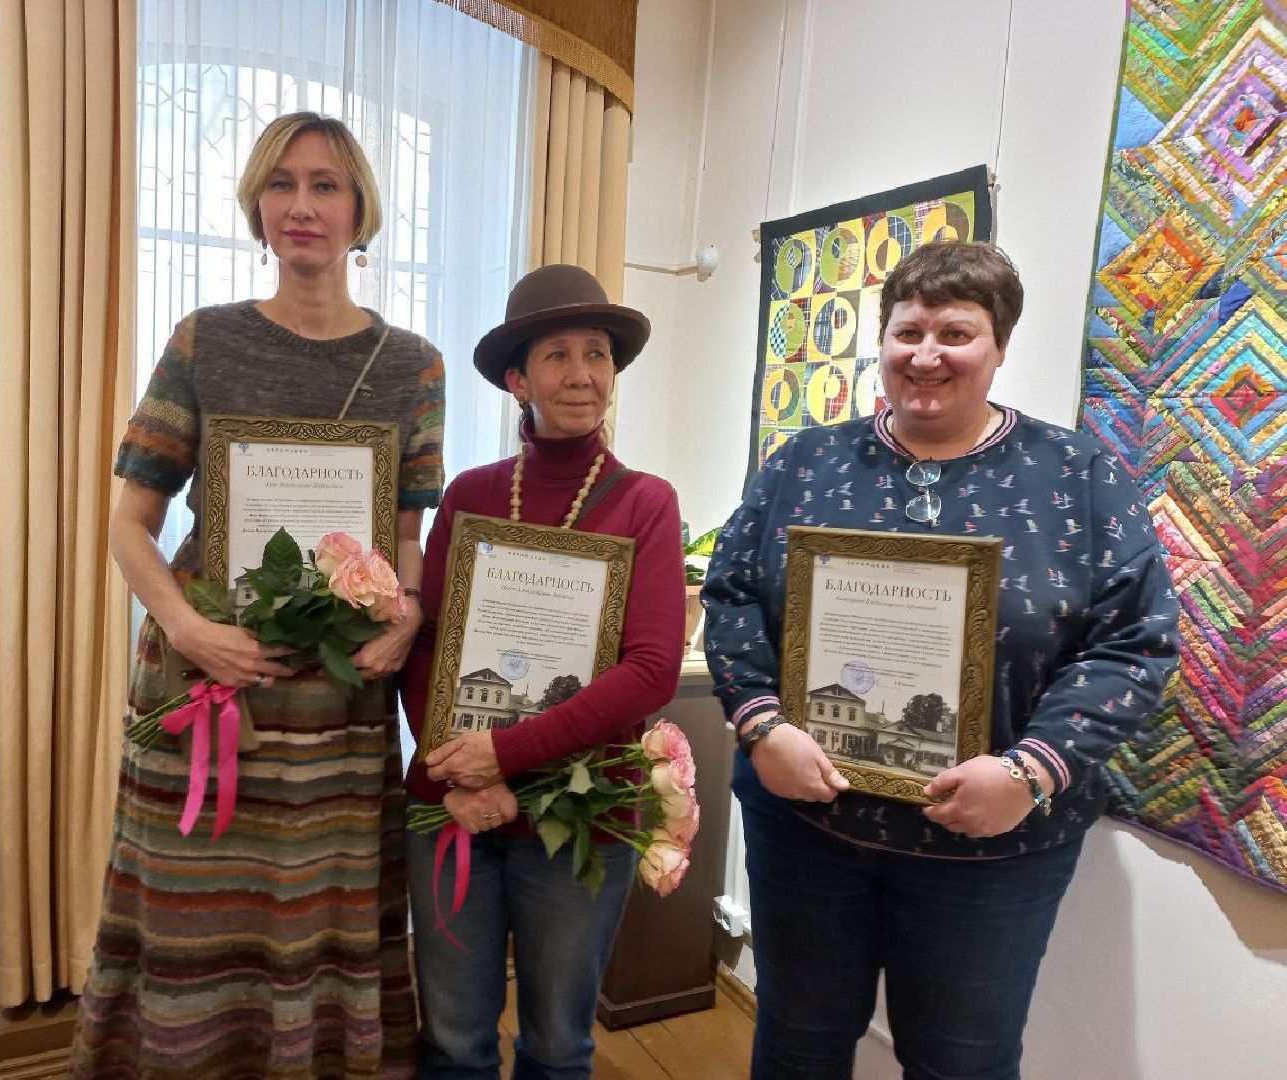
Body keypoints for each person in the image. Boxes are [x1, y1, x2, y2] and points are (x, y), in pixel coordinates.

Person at [704, 240, 1180, 1079]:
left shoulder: (1078, 475)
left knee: (962, 1062)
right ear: (882, 341)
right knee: (800, 1037)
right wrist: (760, 724)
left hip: (993, 853)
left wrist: (1030, 773)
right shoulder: (807, 462)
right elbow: (735, 597)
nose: (926, 355)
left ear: (998, 347)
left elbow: (1133, 642)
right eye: (907, 331)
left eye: (955, 333)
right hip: (808, 827)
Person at [72, 112, 444, 1079]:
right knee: (194, 920)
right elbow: (128, 525)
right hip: (210, 686)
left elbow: (406, 540)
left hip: (336, 697)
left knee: (315, 920)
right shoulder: (206, 342)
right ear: (255, 207)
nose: (302, 205)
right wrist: (192, 629)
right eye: (281, 184)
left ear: (361, 207)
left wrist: (403, 622)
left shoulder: (414, 366)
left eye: (326, 184)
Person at [397, 263, 686, 1079]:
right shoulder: (472, 492)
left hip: (578, 819)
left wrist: (506, 757)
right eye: (557, 355)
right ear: (518, 379)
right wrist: (460, 771)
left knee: (559, 1045)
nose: (582, 374)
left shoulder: (647, 502)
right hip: (451, 803)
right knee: (452, 1037)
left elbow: (653, 668)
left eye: (596, 353)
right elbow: (426, 646)